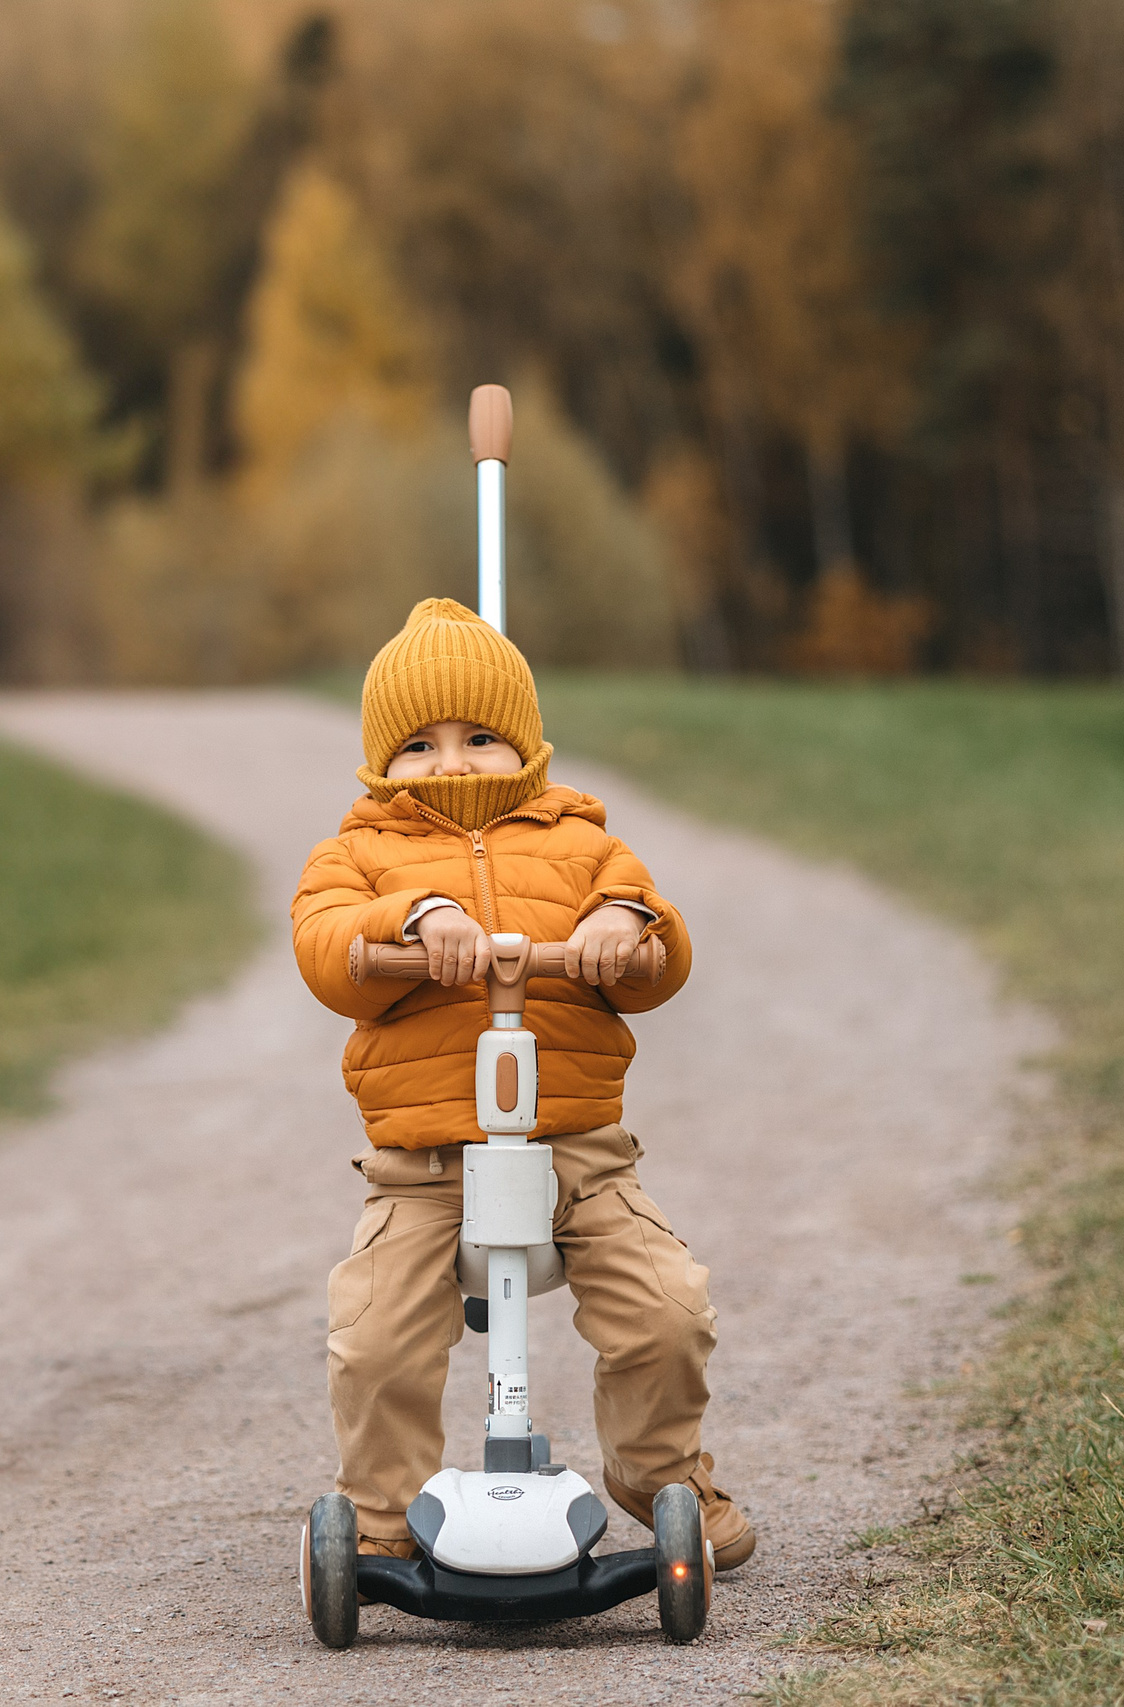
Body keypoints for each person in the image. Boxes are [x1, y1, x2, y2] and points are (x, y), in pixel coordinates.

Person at [292, 596, 755, 1570]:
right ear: (381, 762)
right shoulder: (358, 856)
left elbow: (659, 951)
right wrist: (410, 920)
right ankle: (378, 1516)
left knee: (667, 1313)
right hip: (423, 1161)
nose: (450, 762)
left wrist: (624, 929)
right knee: (375, 1341)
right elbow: (325, 948)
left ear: (527, 746)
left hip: (577, 1151)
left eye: (478, 738)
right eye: (418, 744)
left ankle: (658, 1471)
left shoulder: (584, 845)